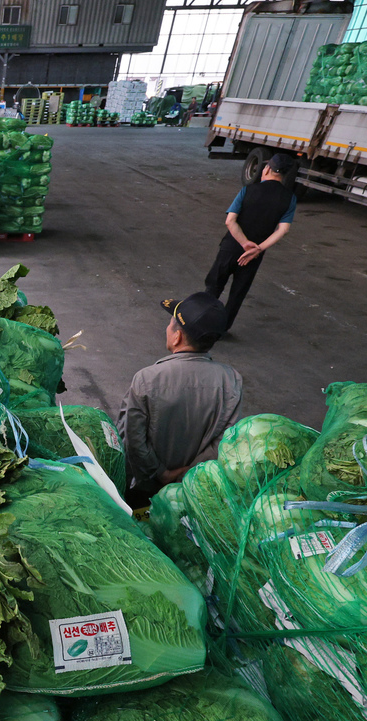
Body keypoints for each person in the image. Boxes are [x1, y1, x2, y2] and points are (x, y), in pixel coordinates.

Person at [117, 293, 243, 505]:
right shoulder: (231, 380)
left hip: (145, 488)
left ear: (177, 337)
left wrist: (161, 473)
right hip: (191, 493)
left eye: (170, 324)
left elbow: (133, 438)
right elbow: (224, 441)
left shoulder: (147, 379)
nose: (167, 329)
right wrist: (185, 473)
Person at [204, 152, 297, 330]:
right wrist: (257, 249)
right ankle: (222, 330)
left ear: (267, 168)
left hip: (230, 248)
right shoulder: (289, 198)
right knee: (237, 293)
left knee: (213, 287)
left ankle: (202, 324)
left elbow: (230, 221)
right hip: (253, 256)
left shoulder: (248, 190)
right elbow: (283, 229)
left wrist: (243, 242)